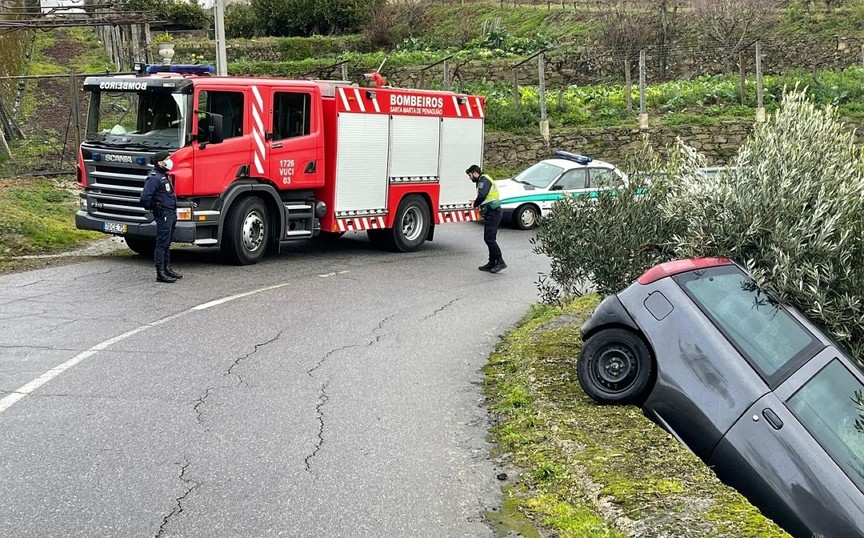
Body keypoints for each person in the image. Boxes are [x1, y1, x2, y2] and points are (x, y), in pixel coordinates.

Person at [140, 151, 182, 283]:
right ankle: (160, 272)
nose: (169, 160)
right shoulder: (154, 177)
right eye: (167, 159)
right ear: (160, 162)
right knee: (161, 243)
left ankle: (167, 268)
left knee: (167, 243)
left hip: (170, 213)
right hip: (163, 214)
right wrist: (155, 208)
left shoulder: (164, 175)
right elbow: (145, 198)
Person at [467, 164, 506, 273]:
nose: (470, 178)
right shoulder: (483, 179)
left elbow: (482, 195)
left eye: (470, 175)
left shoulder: (483, 180)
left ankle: (500, 261)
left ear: (475, 173)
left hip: (494, 212)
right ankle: (491, 262)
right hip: (492, 212)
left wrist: (475, 204)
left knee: (489, 238)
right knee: (489, 238)